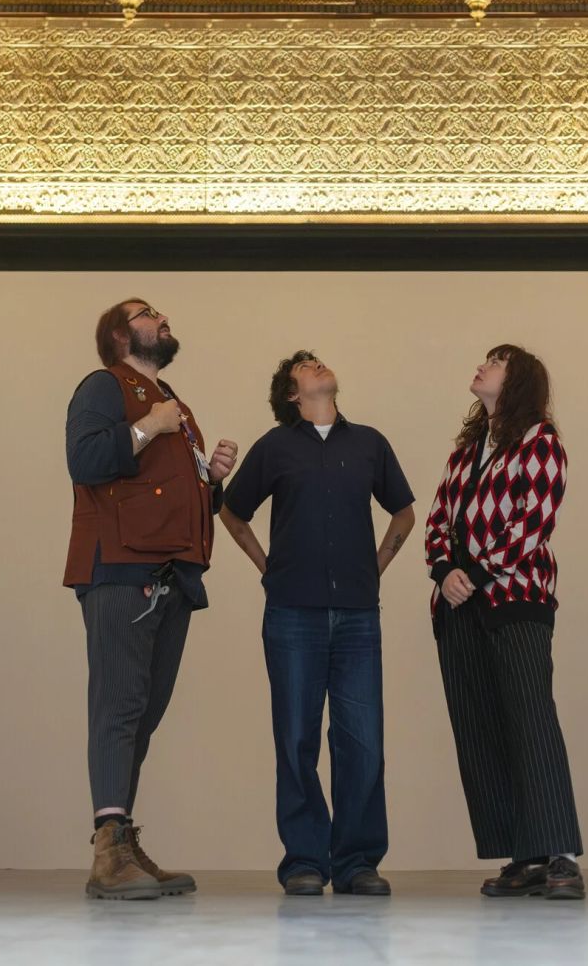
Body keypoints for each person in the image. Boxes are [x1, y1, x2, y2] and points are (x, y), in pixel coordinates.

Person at [221, 351, 415, 897]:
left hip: (357, 616)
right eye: (307, 365)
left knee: (363, 741)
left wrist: (376, 567)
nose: (320, 365)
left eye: (320, 361)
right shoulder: (275, 446)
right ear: (292, 392)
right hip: (292, 614)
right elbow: (233, 512)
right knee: (296, 737)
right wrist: (267, 567)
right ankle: (305, 859)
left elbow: (404, 513)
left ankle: (356, 862)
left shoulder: (370, 443)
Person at [64, 297, 237, 900]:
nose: (162, 317)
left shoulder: (176, 405)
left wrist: (212, 482)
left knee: (145, 710)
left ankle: (123, 841)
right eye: (146, 313)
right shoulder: (104, 386)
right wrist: (147, 427)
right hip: (119, 567)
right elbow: (83, 460)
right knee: (119, 703)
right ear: (118, 335)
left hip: (173, 572)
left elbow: (177, 497)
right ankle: (108, 848)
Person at [424, 343, 585, 901]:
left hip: (515, 600)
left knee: (530, 720)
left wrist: (476, 573)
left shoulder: (541, 441)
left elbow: (531, 522)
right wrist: (445, 570)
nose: (481, 365)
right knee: (482, 727)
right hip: (459, 606)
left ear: (517, 380)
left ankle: (560, 854)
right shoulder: (467, 452)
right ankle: (526, 856)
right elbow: (438, 519)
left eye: (494, 361)